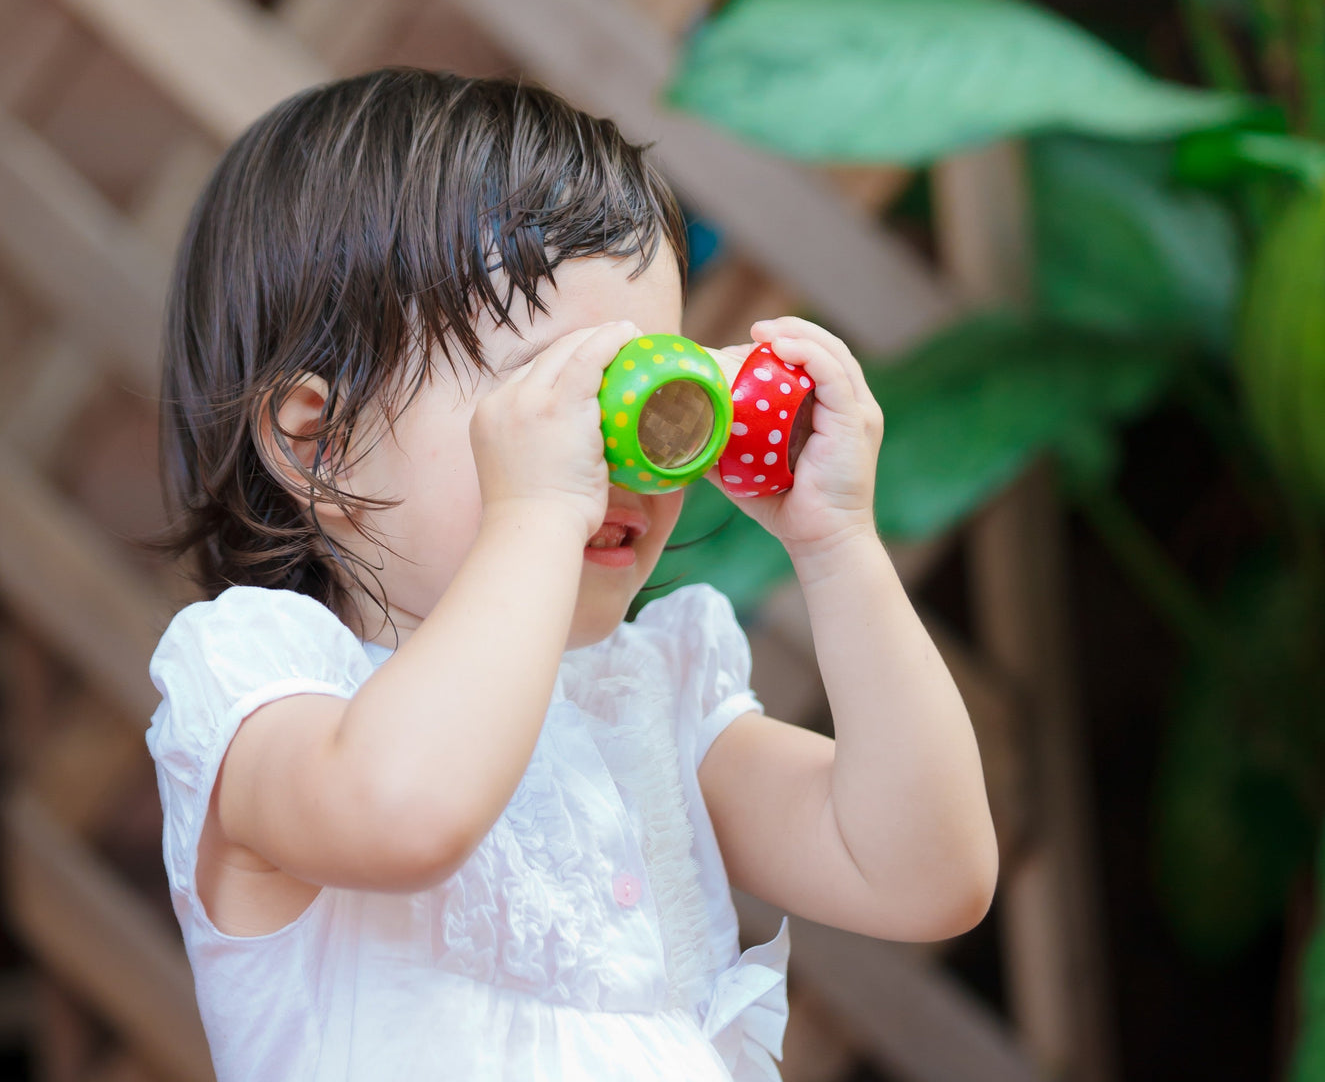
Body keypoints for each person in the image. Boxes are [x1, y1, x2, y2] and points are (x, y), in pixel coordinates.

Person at [146, 68, 997, 1082]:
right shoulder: (266, 694)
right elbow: (406, 810)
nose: (626, 454)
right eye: (562, 395)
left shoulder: (650, 702)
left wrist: (836, 543)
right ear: (319, 441)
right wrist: (537, 509)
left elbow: (922, 873)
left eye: (649, 385)